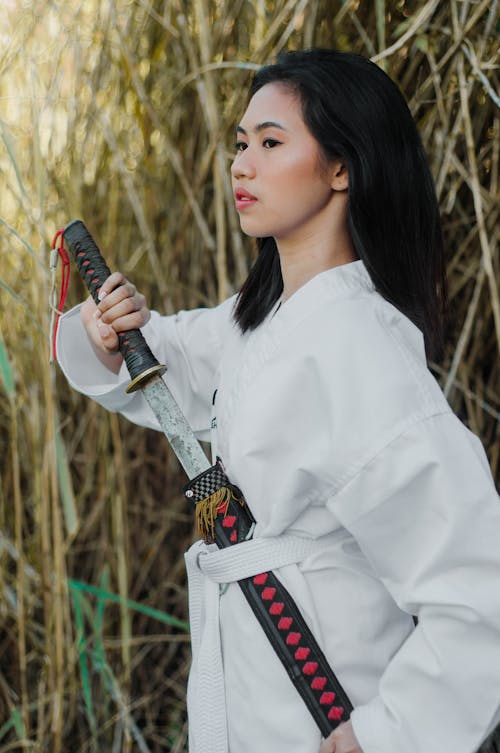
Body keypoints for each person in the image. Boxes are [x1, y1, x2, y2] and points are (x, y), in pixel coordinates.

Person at [57, 49, 500, 753]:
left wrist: (388, 734)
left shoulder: (362, 352)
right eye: (240, 144)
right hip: (248, 693)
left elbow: (479, 585)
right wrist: (107, 332)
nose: (241, 164)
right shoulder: (258, 319)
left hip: (325, 704)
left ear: (341, 167)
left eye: (270, 143)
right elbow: (164, 365)